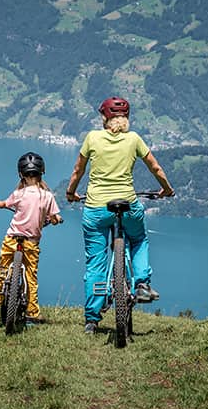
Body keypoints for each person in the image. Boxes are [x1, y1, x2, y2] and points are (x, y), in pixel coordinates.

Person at [65, 96, 175, 334]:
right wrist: (166, 189)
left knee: (95, 261)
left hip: (96, 208)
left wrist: (71, 192)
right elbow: (155, 167)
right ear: (126, 118)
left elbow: (78, 170)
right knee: (138, 239)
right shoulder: (133, 139)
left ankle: (92, 320)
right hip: (127, 205)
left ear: (104, 117)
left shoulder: (92, 138)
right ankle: (142, 284)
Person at [0, 152, 62, 328]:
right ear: (42, 172)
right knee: (30, 277)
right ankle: (32, 314)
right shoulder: (47, 196)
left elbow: (4, 204)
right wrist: (56, 220)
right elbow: (55, 216)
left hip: (12, 238)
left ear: (21, 174)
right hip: (32, 242)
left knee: (2, 271)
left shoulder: (19, 193)